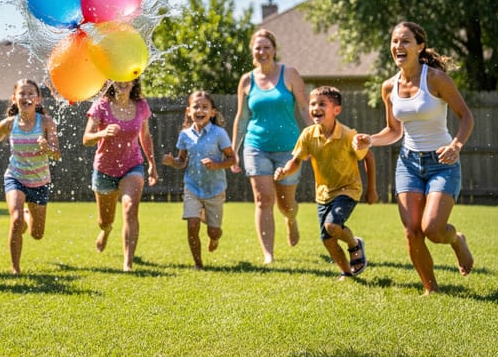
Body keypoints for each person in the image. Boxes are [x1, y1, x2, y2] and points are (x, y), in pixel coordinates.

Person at [353, 21, 474, 295]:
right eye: (395, 41)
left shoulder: (435, 79)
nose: (398, 46)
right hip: (408, 163)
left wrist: (456, 144)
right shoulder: (388, 87)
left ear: (420, 46)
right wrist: (370, 139)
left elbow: (466, 116)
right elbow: (394, 131)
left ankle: (456, 240)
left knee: (432, 228)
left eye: (405, 41)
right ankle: (431, 290)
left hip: (443, 162)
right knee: (411, 231)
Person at [274, 86, 377, 279]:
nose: (316, 108)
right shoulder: (308, 134)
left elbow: (368, 157)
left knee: (332, 226)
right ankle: (346, 273)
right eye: (313, 104)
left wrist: (371, 189)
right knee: (327, 239)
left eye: (322, 104)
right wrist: (285, 170)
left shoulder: (348, 135)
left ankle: (354, 244)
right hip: (323, 193)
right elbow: (296, 159)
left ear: (336, 110)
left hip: (348, 189)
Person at [231, 28, 312, 264]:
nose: (262, 51)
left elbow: (305, 108)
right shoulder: (247, 80)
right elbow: (242, 117)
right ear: (252, 51)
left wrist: (319, 136)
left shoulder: (290, 74)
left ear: (274, 50)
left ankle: (290, 219)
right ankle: (268, 254)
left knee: (286, 203)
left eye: (267, 47)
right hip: (256, 146)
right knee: (263, 199)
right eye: (258, 47)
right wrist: (233, 150)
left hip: (289, 148)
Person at [0, 79, 61, 275]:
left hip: (39, 181)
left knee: (37, 234)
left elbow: (57, 153)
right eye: (22, 93)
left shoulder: (46, 123)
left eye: (31, 94)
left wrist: (47, 147)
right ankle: (15, 268)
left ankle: (27, 216)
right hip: (16, 176)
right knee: (15, 219)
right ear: (14, 98)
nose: (26, 97)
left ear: (38, 99)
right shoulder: (8, 124)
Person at [82, 78, 158, 272]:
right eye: (118, 78)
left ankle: (128, 263)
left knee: (130, 208)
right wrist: (102, 133)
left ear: (134, 82)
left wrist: (152, 164)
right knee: (104, 220)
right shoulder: (101, 106)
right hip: (105, 170)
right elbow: (86, 138)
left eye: (127, 79)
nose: (122, 82)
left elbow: (145, 136)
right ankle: (106, 231)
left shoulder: (141, 105)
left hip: (132, 166)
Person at [162, 91, 236, 269]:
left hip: (215, 189)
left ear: (212, 112)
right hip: (192, 187)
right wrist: (174, 162)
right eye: (196, 106)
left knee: (214, 231)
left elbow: (232, 159)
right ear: (189, 111)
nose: (200, 110)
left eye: (205, 107)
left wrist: (216, 165)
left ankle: (214, 237)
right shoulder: (185, 135)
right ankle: (198, 264)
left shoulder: (219, 134)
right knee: (192, 224)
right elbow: (182, 161)